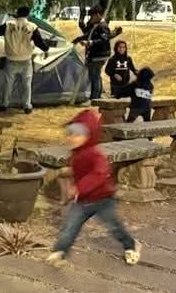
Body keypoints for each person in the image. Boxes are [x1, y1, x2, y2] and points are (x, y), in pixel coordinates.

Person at [47, 110, 141, 267]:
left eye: (77, 135)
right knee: (70, 226)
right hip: (83, 201)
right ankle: (60, 252)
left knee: (114, 227)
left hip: (102, 199)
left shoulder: (95, 154)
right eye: (69, 134)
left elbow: (100, 173)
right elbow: (78, 171)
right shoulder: (75, 154)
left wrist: (79, 188)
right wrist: (69, 175)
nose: (72, 138)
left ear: (89, 136)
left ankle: (131, 245)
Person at [0, 7, 51, 114]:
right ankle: (27, 106)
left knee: (8, 83)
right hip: (26, 59)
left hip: (11, 59)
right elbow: (39, 41)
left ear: (17, 14)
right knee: (27, 84)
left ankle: (4, 104)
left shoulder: (8, 25)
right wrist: (46, 49)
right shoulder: (32, 26)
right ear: (27, 15)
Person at [73, 7, 123, 100]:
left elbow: (103, 40)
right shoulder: (96, 26)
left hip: (99, 55)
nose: (90, 19)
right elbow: (88, 35)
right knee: (96, 75)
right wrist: (77, 40)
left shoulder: (103, 26)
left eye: (91, 16)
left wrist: (90, 42)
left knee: (94, 76)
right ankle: (97, 96)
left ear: (97, 15)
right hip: (96, 54)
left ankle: (94, 98)